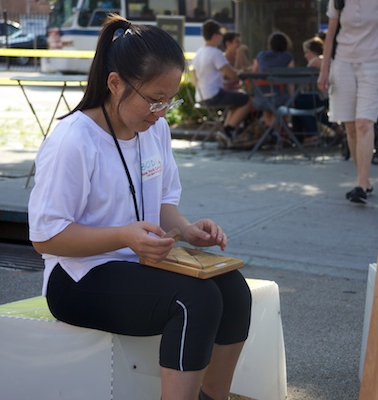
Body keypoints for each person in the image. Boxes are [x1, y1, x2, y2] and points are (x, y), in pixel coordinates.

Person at [28, 15, 252, 400]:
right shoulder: (73, 140)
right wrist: (124, 237)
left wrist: (186, 227)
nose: (161, 111)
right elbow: (46, 237)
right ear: (115, 83)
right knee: (193, 301)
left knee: (233, 290)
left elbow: (164, 202)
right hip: (78, 278)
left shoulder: (155, 129)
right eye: (153, 99)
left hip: (139, 264)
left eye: (170, 100)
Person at [317, 0, 378, 204]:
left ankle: (361, 184)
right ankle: (364, 180)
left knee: (364, 122)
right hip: (343, 63)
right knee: (350, 125)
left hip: (375, 62)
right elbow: (330, 35)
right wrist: (324, 70)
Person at [192, 19, 253, 148]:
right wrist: (245, 71)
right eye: (220, 34)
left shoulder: (198, 53)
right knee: (247, 99)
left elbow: (194, 79)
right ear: (215, 36)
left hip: (201, 96)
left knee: (236, 100)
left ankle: (227, 131)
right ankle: (228, 130)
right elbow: (232, 75)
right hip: (214, 95)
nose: (221, 38)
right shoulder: (216, 53)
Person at [250, 31, 294, 129]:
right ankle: (272, 132)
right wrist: (292, 97)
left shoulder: (261, 55)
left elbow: (253, 72)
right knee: (277, 105)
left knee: (268, 105)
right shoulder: (287, 57)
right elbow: (291, 78)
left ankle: (270, 132)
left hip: (261, 97)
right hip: (280, 96)